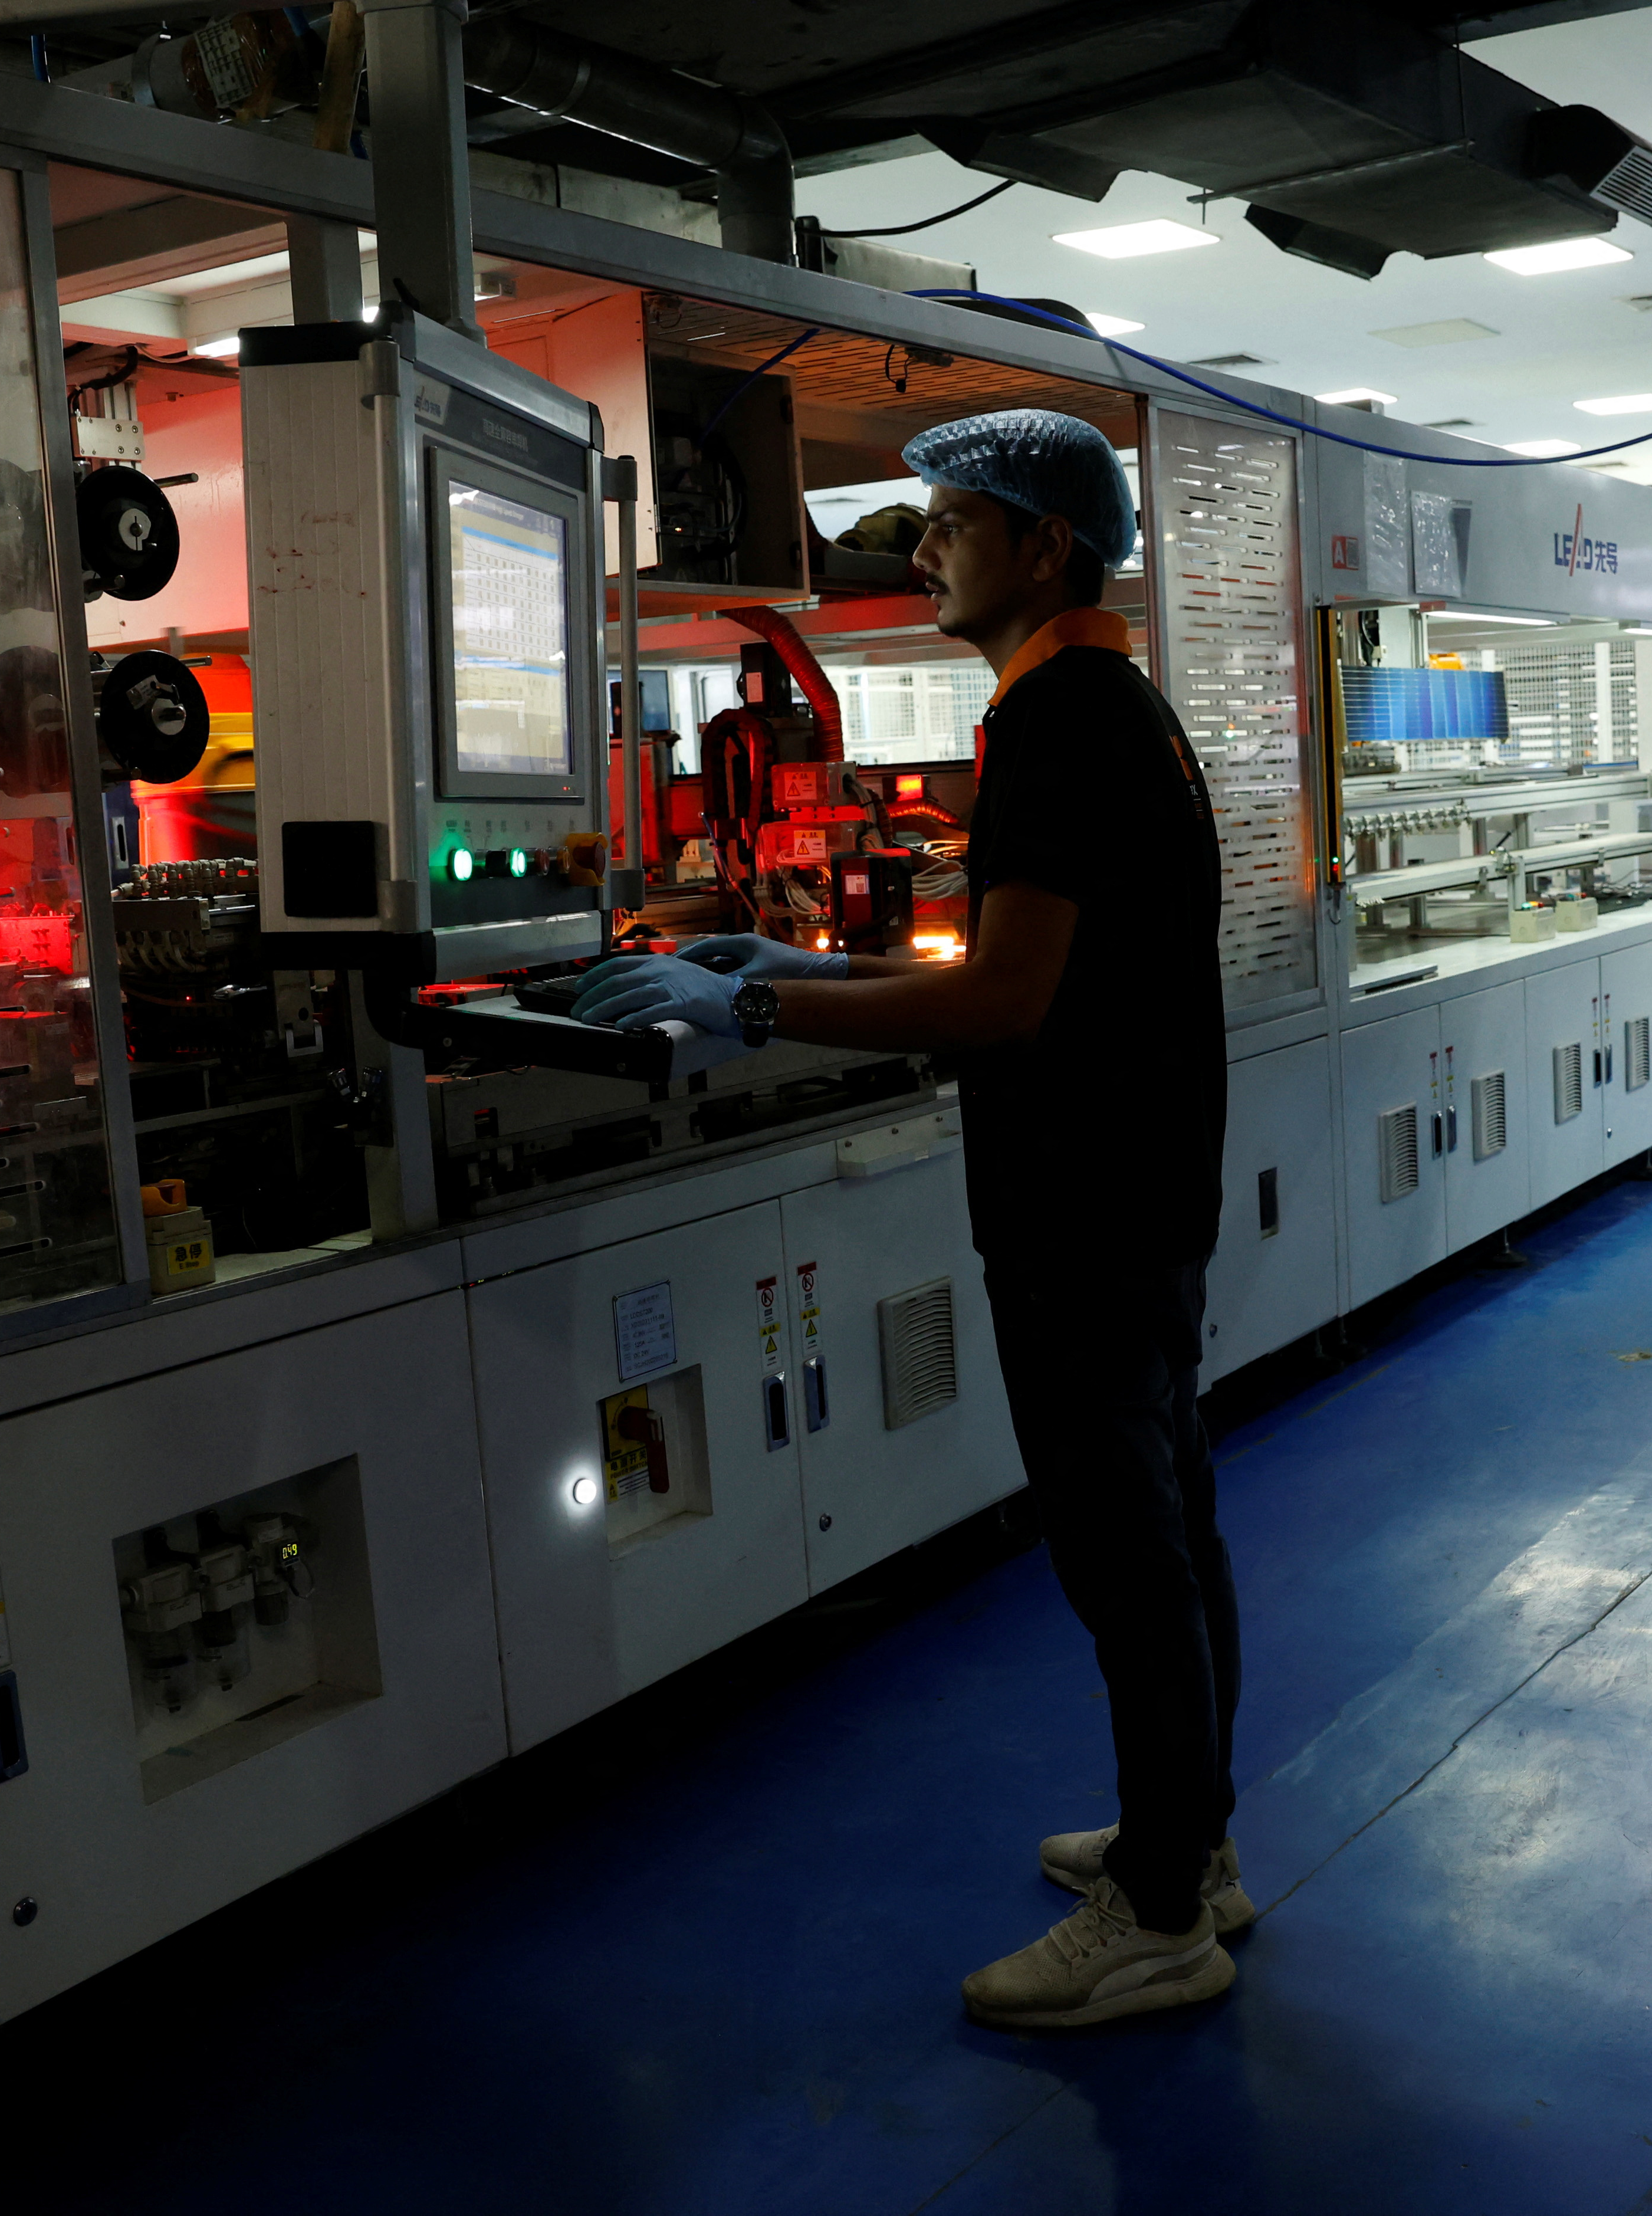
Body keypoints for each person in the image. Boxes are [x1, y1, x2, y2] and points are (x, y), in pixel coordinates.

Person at [574, 410, 1246, 2030]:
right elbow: (1032, 971)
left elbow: (1007, 1004)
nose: (926, 544)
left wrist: (767, 1015)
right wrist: (800, 968)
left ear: (1046, 547)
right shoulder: (1105, 706)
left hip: (1081, 1199)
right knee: (1172, 1521)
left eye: (955, 520)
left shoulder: (1055, 725)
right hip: (1139, 1186)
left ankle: (1161, 1913)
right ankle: (1190, 1842)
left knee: (1122, 1549)